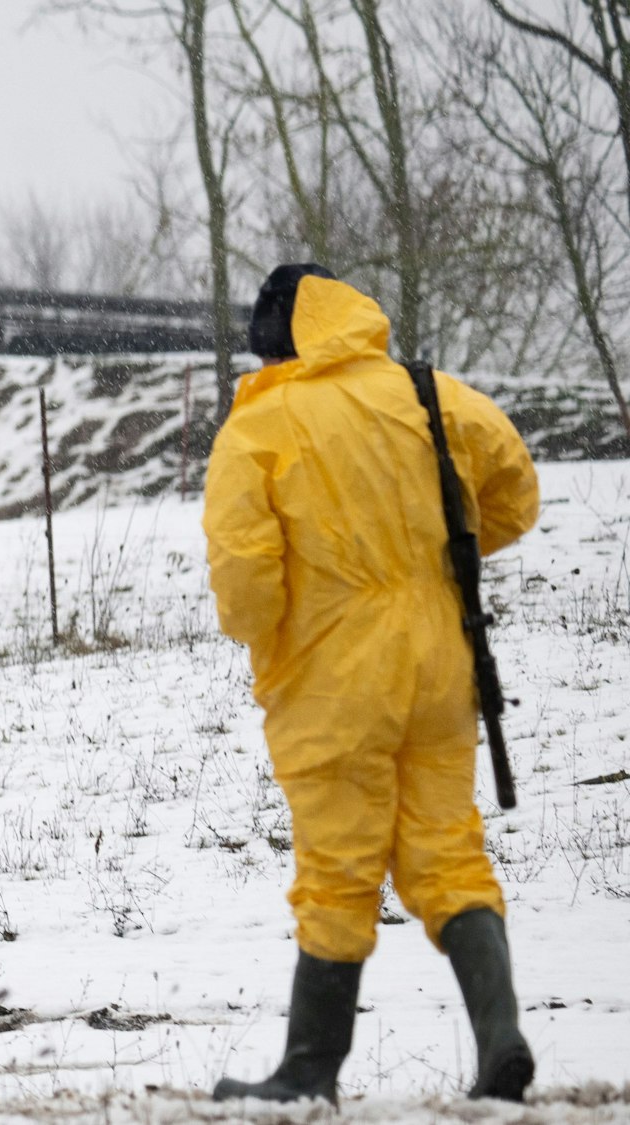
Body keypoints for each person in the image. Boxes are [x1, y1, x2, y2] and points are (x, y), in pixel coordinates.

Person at [203, 265, 540, 1104]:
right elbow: (514, 496)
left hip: (333, 677)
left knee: (338, 866)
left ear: (273, 336)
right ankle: (501, 1037)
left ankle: (308, 1070)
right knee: (447, 850)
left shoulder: (260, 424)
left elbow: (246, 587)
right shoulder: (428, 393)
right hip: (441, 664)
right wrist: (427, 559)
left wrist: (278, 624)